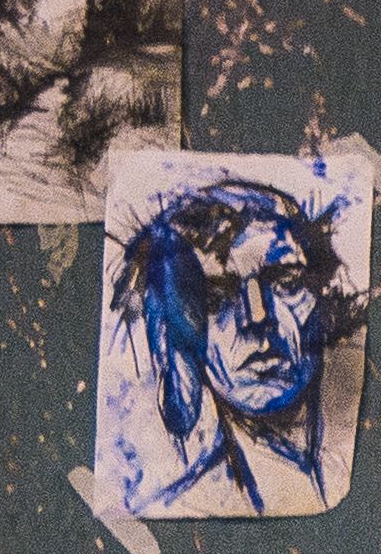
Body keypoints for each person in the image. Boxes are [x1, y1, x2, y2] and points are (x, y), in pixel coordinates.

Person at [107, 172, 361, 516]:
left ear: (324, 296)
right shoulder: (188, 507)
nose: (256, 318)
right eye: (215, 298)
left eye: (284, 281)